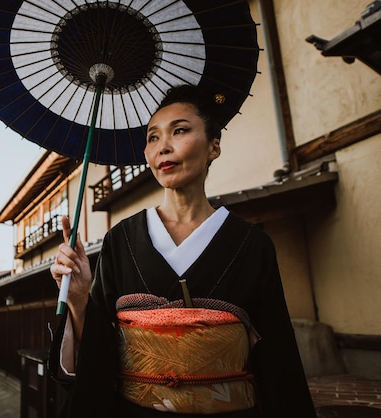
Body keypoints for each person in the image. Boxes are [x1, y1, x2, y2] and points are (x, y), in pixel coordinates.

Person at [49, 84, 317, 417]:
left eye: (180, 131)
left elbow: (278, 357)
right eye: (152, 137)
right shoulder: (121, 239)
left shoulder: (252, 244)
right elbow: (98, 354)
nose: (163, 147)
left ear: (214, 146)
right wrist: (77, 298)